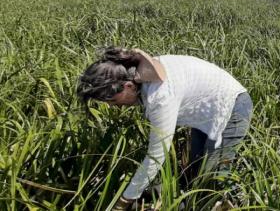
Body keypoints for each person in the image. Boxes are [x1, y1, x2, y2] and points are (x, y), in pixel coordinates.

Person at [76, 47, 253, 210]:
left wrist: (124, 201)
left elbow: (156, 155)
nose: (116, 107)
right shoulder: (141, 75)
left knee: (213, 178)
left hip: (232, 106)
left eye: (114, 101)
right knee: (196, 171)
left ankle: (245, 203)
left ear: (128, 86)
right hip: (207, 109)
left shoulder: (159, 95)